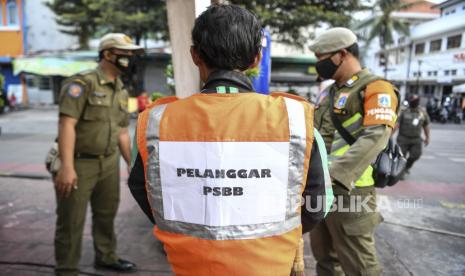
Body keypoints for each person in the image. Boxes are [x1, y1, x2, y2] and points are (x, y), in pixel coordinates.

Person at [128, 4, 333, 275]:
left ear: (194, 55)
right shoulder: (295, 120)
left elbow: (142, 188)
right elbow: (319, 204)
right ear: (257, 58)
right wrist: (277, 233)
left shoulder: (156, 122)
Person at [309, 27, 399, 275]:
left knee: (360, 265)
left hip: (352, 191)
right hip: (320, 188)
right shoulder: (329, 93)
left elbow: (376, 136)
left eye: (322, 57)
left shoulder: (377, 89)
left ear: (342, 54)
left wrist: (333, 175)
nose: (319, 64)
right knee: (325, 260)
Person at [54, 33, 141, 275]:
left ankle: (106, 256)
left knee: (106, 215)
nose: (130, 58)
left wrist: (132, 165)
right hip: (80, 162)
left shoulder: (122, 90)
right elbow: (66, 124)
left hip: (109, 162)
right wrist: (67, 167)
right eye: (126, 54)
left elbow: (123, 132)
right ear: (108, 54)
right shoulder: (82, 84)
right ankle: (67, 268)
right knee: (71, 221)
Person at [394, 94, 430, 176]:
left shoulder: (422, 113)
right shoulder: (403, 111)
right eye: (413, 100)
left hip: (416, 139)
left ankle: (407, 167)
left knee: (416, 155)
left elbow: (426, 125)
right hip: (403, 138)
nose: (414, 102)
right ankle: (401, 172)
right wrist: (389, 136)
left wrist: (427, 137)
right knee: (401, 156)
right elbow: (397, 124)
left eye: (416, 100)